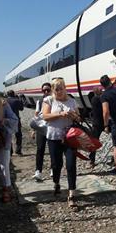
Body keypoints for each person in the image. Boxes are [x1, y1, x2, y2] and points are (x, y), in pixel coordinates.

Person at [42, 78, 81, 208]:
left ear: (65, 88)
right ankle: (56, 183)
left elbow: (79, 117)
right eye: (56, 89)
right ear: (53, 90)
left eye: (61, 88)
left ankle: (71, 194)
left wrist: (74, 116)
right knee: (56, 165)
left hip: (70, 138)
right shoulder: (49, 100)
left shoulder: (72, 101)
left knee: (71, 165)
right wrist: (60, 114)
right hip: (54, 137)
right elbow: (45, 116)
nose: (59, 91)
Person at [32, 82, 51, 181]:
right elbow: (36, 115)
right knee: (40, 149)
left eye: (48, 89)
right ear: (42, 91)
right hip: (41, 128)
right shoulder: (39, 101)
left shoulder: (54, 101)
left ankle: (53, 169)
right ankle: (38, 171)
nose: (46, 92)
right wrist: (34, 130)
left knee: (53, 149)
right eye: (44, 90)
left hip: (52, 128)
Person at [88, 86, 104, 168]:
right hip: (98, 123)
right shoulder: (96, 99)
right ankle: (92, 159)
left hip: (97, 123)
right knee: (94, 141)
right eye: (100, 90)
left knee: (94, 140)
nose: (102, 91)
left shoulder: (95, 98)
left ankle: (92, 159)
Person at [6, 90, 24, 155]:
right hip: (16, 119)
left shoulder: (4, 101)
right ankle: (18, 150)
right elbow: (21, 108)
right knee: (18, 135)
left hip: (7, 120)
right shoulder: (16, 100)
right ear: (13, 94)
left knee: (8, 135)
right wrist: (19, 99)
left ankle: (10, 151)